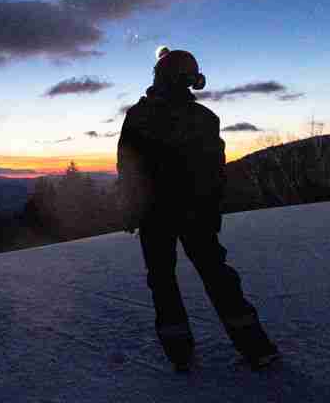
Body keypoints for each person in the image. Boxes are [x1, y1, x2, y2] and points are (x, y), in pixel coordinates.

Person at [117, 46, 280, 372]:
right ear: (190, 79)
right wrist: (211, 210)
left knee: (163, 281)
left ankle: (179, 353)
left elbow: (128, 170)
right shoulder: (205, 118)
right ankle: (255, 347)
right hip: (196, 215)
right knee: (218, 278)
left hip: (154, 216)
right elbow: (215, 173)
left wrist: (130, 211)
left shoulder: (138, 116)